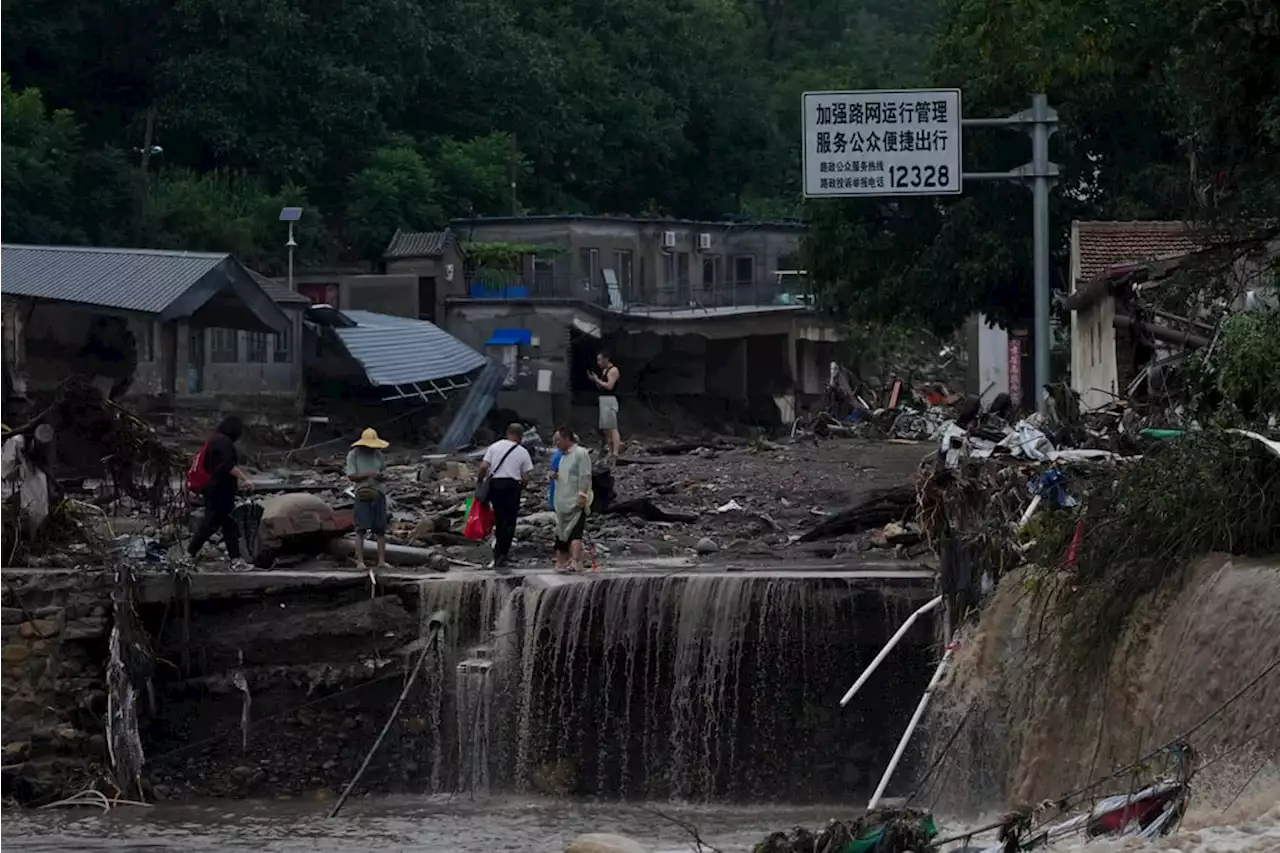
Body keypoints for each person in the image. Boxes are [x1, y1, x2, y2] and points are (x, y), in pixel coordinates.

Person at [188, 416, 253, 569]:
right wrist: (246, 479)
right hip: (220, 491)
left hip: (212, 489)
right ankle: (190, 553)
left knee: (224, 524)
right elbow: (228, 466)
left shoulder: (213, 440)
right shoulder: (224, 442)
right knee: (215, 524)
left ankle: (235, 560)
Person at [477, 423, 534, 570]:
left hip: (496, 484)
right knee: (510, 521)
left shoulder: (494, 447)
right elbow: (526, 477)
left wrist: (480, 481)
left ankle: (497, 552)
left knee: (499, 517)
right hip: (512, 486)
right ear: (520, 436)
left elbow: (483, 467)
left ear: (507, 432)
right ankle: (502, 554)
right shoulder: (522, 452)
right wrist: (521, 487)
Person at [549, 426, 593, 573]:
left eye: (558, 440)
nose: (556, 444)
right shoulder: (562, 457)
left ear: (567, 438)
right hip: (562, 499)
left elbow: (585, 475)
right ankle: (562, 561)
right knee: (561, 532)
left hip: (575, 499)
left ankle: (575, 560)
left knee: (575, 531)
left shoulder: (581, 453)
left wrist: (582, 494)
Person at [346, 428, 391, 570]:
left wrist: (381, 477)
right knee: (361, 529)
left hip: (379, 493)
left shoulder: (378, 454)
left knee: (380, 529)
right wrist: (369, 474)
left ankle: (381, 561)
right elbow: (352, 476)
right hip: (363, 493)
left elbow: (384, 472)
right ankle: (360, 561)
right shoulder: (354, 455)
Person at [588, 351, 622, 459]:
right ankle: (610, 450)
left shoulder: (613, 370)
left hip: (610, 400)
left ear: (606, 359)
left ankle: (616, 452)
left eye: (600, 360)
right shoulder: (604, 371)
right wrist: (595, 381)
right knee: (606, 428)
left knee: (612, 427)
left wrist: (598, 380)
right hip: (603, 399)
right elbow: (602, 387)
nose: (598, 362)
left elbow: (609, 386)